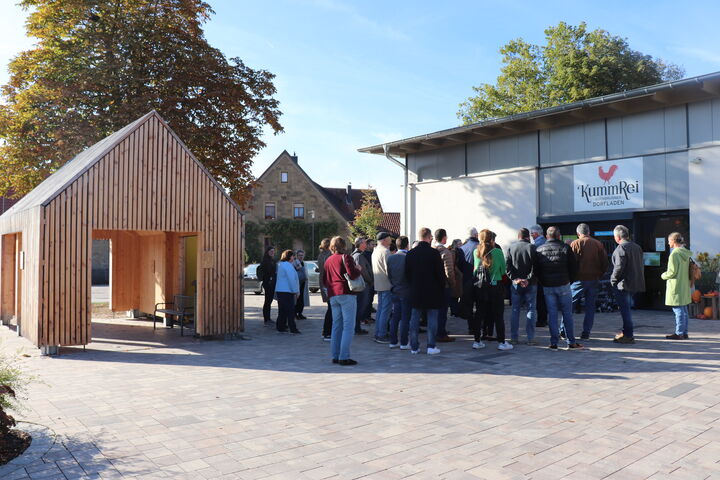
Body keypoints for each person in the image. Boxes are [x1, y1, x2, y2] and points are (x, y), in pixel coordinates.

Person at [535, 226, 583, 350]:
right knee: (567, 314)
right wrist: (569, 281)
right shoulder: (565, 248)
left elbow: (536, 270)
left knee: (552, 315)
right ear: (558, 235)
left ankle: (553, 342)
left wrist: (543, 282)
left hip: (548, 286)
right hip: (564, 285)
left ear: (547, 236)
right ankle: (571, 342)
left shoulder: (539, 250)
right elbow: (573, 268)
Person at [322, 236, 363, 365]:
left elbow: (324, 280)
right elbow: (352, 274)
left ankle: (335, 355)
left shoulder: (328, 260)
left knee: (336, 326)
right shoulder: (346, 257)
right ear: (344, 246)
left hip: (333, 294)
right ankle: (344, 356)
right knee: (348, 327)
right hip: (346, 293)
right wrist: (358, 269)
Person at [405, 228, 446, 355]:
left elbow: (407, 274)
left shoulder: (411, 253)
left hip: (416, 290)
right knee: (432, 319)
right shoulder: (434, 253)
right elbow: (440, 274)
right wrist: (442, 287)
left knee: (414, 319)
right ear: (429, 237)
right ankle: (431, 345)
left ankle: (414, 347)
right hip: (432, 291)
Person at [473, 229, 512, 351]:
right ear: (492, 239)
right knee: (498, 315)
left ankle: (477, 341)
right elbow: (502, 271)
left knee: (479, 314)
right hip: (495, 287)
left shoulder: (476, 252)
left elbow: (475, 270)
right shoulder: (497, 252)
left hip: (480, 287)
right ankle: (501, 342)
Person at [570, 223, 609, 340]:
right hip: (593, 279)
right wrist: (599, 274)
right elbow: (605, 262)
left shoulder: (575, 243)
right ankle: (586, 332)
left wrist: (572, 277)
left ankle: (564, 330)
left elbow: (571, 263)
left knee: (569, 305)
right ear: (589, 232)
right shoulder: (598, 244)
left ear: (578, 233)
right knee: (590, 307)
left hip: (579, 280)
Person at [610, 225, 645, 344]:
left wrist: (613, 280)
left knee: (625, 311)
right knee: (627, 310)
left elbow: (619, 267)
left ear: (618, 237)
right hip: (635, 283)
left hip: (623, 284)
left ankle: (628, 335)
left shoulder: (621, 248)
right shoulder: (637, 247)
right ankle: (626, 333)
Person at [505, 228, 537, 345]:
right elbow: (535, 266)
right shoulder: (532, 247)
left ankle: (514, 338)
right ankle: (530, 338)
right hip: (531, 284)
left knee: (515, 310)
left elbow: (507, 267)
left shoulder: (511, 248)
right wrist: (528, 279)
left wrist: (516, 279)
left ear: (518, 236)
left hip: (516, 284)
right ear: (527, 236)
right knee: (531, 310)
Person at [661, 232, 692, 340]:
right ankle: (684, 332)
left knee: (678, 311)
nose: (668, 243)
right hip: (684, 285)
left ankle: (679, 333)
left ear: (673, 241)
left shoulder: (674, 254)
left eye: (669, 240)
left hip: (675, 286)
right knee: (684, 310)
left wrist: (663, 275)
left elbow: (672, 272)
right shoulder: (685, 253)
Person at [435, 229, 459, 343]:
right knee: (443, 311)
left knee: (435, 311)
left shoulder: (432, 251)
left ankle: (436, 330)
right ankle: (441, 333)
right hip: (444, 286)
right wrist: (453, 284)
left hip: (433, 285)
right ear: (444, 238)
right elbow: (449, 271)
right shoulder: (446, 252)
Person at [387, 236, 411, 349]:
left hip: (395, 289)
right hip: (406, 290)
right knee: (405, 317)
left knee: (395, 317)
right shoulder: (408, 257)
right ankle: (404, 342)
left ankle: (393, 341)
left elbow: (389, 274)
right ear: (407, 245)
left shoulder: (391, 258)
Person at [372, 232, 393, 344]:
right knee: (385, 310)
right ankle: (381, 334)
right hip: (386, 285)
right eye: (389, 238)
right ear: (384, 240)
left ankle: (378, 333)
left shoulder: (375, 251)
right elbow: (389, 270)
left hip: (379, 284)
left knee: (380, 310)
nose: (390, 240)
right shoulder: (385, 252)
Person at [275, 250, 301, 334]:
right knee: (290, 310)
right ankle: (292, 328)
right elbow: (291, 280)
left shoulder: (282, 264)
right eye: (293, 256)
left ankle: (280, 327)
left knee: (282, 310)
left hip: (281, 290)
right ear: (289, 257)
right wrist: (296, 291)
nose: (294, 258)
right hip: (286, 291)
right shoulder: (287, 266)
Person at [460, 227, 480, 331]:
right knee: (480, 305)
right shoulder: (480, 247)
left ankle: (471, 327)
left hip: (466, 280)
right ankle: (479, 327)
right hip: (479, 280)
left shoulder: (462, 248)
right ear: (476, 235)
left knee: (469, 305)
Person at [352, 238, 373, 332]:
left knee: (360, 306)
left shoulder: (356, 255)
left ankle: (356, 327)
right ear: (360, 244)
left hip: (361, 285)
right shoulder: (359, 256)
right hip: (362, 285)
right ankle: (356, 327)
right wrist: (370, 281)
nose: (366, 244)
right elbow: (363, 272)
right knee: (361, 306)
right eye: (364, 242)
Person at [530, 224, 548, 328]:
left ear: (536, 233)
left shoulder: (536, 245)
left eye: (532, 233)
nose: (531, 236)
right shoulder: (546, 241)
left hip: (539, 277)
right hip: (547, 275)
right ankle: (544, 319)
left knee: (540, 299)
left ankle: (541, 320)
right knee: (546, 299)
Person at [317, 238, 333, 341]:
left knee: (331, 307)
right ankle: (327, 332)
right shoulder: (329, 255)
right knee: (331, 309)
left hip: (324, 283)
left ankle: (326, 331)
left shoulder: (321, 255)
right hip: (328, 283)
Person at [259, 246, 277, 326]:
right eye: (271, 251)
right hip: (267, 283)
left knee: (269, 301)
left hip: (271, 283)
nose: (272, 253)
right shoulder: (265, 261)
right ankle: (266, 319)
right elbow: (267, 272)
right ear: (267, 252)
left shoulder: (272, 260)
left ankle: (268, 318)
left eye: (273, 251)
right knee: (267, 301)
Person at [449, 239, 467, 317]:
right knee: (454, 295)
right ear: (455, 244)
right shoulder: (453, 251)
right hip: (456, 275)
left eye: (461, 243)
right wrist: (459, 273)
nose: (461, 244)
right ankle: (454, 311)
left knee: (457, 294)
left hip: (459, 274)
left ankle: (456, 311)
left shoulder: (459, 251)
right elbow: (453, 264)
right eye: (459, 243)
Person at [293, 250, 310, 320]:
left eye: (302, 255)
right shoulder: (295, 262)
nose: (301, 257)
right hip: (297, 283)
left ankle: (300, 313)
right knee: (297, 299)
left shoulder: (304, 263)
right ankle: (295, 313)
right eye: (299, 255)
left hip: (303, 283)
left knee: (302, 299)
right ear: (297, 256)